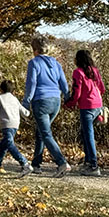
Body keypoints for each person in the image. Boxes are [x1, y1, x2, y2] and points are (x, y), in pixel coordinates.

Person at [21, 35, 71, 177]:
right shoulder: (55, 63)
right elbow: (63, 83)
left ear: (35, 50)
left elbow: (31, 84)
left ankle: (62, 163)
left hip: (41, 101)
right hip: (55, 101)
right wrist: (67, 98)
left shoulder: (34, 63)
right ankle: (36, 164)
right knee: (41, 132)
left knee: (46, 133)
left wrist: (26, 102)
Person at [64, 49, 106, 176]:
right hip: (98, 105)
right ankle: (88, 162)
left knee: (88, 136)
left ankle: (93, 165)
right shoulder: (95, 71)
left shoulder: (78, 73)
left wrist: (69, 104)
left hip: (87, 107)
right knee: (86, 133)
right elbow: (102, 88)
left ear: (78, 60)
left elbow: (77, 92)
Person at [0, 80, 33, 177]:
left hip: (6, 124)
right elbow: (24, 112)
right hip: (15, 124)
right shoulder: (15, 99)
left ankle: (25, 164)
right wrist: (29, 112)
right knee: (4, 145)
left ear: (1, 89)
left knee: (9, 144)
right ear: (13, 90)